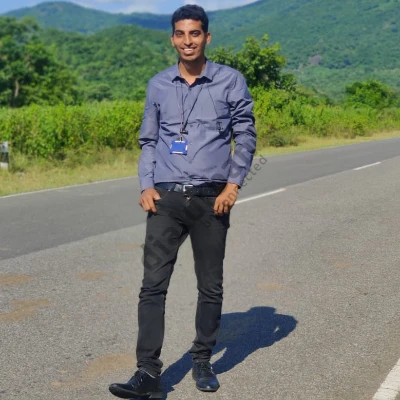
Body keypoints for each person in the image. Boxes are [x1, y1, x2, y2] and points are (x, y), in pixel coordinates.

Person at [109, 4, 256, 399]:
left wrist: (233, 185)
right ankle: (147, 373)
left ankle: (202, 360)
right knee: (152, 286)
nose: (187, 41)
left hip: (212, 199)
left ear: (207, 37)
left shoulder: (230, 81)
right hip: (167, 198)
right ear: (172, 38)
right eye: (180, 34)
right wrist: (146, 185)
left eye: (194, 33)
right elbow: (148, 141)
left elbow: (245, 135)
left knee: (210, 286)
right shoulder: (158, 84)